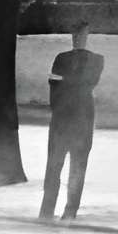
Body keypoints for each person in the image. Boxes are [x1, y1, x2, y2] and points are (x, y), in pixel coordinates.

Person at [39, 27, 103, 223]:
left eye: (82, 35)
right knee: (54, 167)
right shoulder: (61, 58)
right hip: (63, 117)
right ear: (72, 37)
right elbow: (54, 83)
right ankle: (46, 212)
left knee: (77, 167)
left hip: (80, 118)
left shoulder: (95, 59)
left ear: (87, 37)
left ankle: (69, 212)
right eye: (75, 35)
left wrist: (67, 83)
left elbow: (89, 82)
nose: (78, 39)